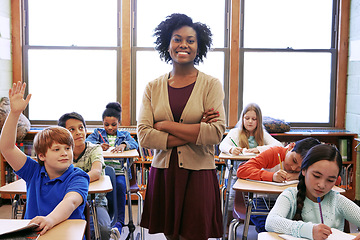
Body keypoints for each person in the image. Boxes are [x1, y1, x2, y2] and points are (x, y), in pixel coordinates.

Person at [137, 13, 226, 240]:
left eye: (190, 40)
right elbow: (145, 136)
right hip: (165, 173)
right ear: (167, 44)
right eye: (177, 39)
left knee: (194, 235)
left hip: (199, 174)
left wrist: (165, 125)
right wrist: (197, 129)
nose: (183, 44)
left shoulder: (211, 85)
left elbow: (215, 133)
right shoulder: (152, 87)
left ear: (199, 46)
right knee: (171, 236)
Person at [0, 82, 89, 235]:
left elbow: (71, 201)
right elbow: (7, 148)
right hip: (36, 235)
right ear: (41, 156)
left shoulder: (78, 176)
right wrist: (15, 113)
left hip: (67, 234)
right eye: (57, 149)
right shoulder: (33, 172)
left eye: (68, 148)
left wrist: (50, 219)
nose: (65, 153)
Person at [265, 144, 360, 240]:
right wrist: (309, 230)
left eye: (330, 180)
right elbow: (271, 222)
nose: (322, 185)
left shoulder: (337, 200)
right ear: (304, 170)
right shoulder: (290, 196)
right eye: (316, 176)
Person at [237, 137, 321, 232]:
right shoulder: (274, 153)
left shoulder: (309, 167)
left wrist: (298, 175)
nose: (293, 168)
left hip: (293, 203)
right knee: (268, 228)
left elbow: (335, 179)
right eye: (294, 160)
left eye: (300, 168)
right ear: (291, 146)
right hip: (263, 200)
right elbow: (242, 170)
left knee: (301, 228)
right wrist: (272, 176)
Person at [58, 112, 120, 240]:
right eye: (72, 129)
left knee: (102, 230)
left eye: (81, 128)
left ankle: (111, 234)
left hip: (96, 202)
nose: (78, 132)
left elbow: (96, 172)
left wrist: (75, 182)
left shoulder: (95, 149)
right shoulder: (61, 152)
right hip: (67, 202)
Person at [219, 103, 283, 226]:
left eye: (254, 119)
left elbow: (279, 145)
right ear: (242, 119)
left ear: (259, 121)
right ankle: (227, 226)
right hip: (236, 175)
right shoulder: (235, 132)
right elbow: (223, 145)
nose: (250, 122)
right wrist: (232, 150)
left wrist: (259, 149)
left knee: (259, 198)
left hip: (255, 176)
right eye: (247, 118)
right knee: (232, 196)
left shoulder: (262, 134)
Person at [86, 102, 139, 232]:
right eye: (106, 124)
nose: (110, 128)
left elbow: (135, 143)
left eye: (114, 124)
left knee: (120, 186)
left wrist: (124, 145)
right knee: (103, 192)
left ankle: (119, 223)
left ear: (119, 123)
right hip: (102, 172)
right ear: (102, 123)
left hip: (119, 172)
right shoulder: (98, 134)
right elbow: (88, 142)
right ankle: (107, 221)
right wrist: (98, 145)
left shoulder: (124, 135)